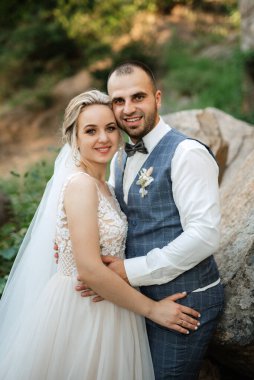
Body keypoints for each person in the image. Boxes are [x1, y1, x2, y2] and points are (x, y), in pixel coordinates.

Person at [0, 90, 200, 380]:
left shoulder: (105, 184)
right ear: (74, 138)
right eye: (90, 131)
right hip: (84, 311)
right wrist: (154, 310)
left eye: (109, 128)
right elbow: (90, 270)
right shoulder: (80, 185)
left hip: (113, 303)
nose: (103, 138)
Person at [80, 62, 224, 379]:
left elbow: (205, 235)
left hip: (186, 302)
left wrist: (128, 271)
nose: (128, 109)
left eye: (138, 97)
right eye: (118, 101)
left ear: (157, 98)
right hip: (138, 302)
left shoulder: (186, 153)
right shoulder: (119, 156)